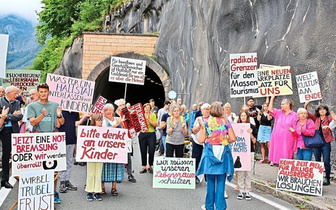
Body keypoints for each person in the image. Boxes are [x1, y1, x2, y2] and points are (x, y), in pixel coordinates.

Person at [28, 83, 65, 203]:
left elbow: (61, 123)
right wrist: (42, 115)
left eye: (45, 91)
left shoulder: (54, 105)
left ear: (49, 92)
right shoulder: (32, 106)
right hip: (38, 137)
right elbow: (32, 122)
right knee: (38, 166)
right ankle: (39, 192)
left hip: (52, 138)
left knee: (53, 167)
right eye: (41, 92)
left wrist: (59, 114)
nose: (43, 94)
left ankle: (53, 192)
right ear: (38, 93)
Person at [197, 101, 236, 210]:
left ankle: (209, 206)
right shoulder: (226, 122)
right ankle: (220, 206)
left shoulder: (206, 123)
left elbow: (200, 139)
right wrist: (223, 139)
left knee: (210, 181)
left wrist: (210, 138)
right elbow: (233, 138)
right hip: (223, 151)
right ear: (221, 110)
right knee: (220, 181)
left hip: (210, 152)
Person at [304, 102, 336, 185]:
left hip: (326, 141)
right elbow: (306, 113)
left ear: (326, 111)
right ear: (318, 111)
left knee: (326, 161)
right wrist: (306, 105)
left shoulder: (329, 118)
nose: (322, 111)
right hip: (317, 142)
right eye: (320, 110)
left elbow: (334, 123)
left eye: (323, 109)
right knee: (317, 161)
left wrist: (334, 120)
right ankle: (318, 178)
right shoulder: (316, 118)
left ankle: (327, 178)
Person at [58, 111, 91, 193]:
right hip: (62, 139)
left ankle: (66, 181)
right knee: (62, 162)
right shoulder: (61, 111)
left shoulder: (75, 112)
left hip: (72, 139)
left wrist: (85, 117)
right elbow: (58, 124)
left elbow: (76, 124)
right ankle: (62, 181)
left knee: (69, 161)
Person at [0, 86, 23, 189]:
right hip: (2, 129)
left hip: (12, 131)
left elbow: (19, 116)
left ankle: (5, 180)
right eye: (15, 93)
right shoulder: (0, 101)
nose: (17, 96)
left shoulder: (17, 103)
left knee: (7, 155)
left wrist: (6, 116)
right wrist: (11, 115)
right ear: (8, 93)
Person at [101, 103, 124, 195]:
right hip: (104, 147)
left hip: (116, 148)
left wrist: (121, 123)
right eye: (106, 110)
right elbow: (103, 130)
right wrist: (115, 125)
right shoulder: (102, 120)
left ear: (113, 111)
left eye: (110, 110)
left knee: (115, 166)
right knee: (103, 167)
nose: (108, 112)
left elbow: (123, 131)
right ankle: (102, 187)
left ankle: (114, 187)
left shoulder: (117, 119)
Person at [268, 95, 298, 166]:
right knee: (277, 153)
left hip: (288, 138)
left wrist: (293, 130)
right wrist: (272, 98)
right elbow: (270, 109)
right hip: (277, 138)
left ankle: (286, 169)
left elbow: (297, 126)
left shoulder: (294, 115)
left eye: (282, 104)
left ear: (288, 105)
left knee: (287, 153)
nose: (281, 105)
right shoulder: (279, 112)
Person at [236, 111, 257, 200]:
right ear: (240, 117)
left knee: (248, 171)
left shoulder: (252, 126)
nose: (243, 117)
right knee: (240, 171)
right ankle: (241, 190)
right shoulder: (236, 126)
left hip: (249, 151)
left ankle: (247, 190)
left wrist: (251, 134)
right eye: (242, 116)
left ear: (247, 117)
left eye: (245, 116)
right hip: (240, 151)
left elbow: (255, 141)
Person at [114, 98, 136, 183]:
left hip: (126, 138)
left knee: (128, 156)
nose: (122, 106)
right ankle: (118, 174)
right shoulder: (114, 114)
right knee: (118, 156)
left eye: (123, 105)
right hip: (117, 138)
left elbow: (131, 125)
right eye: (121, 105)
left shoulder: (127, 114)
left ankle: (130, 174)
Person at [85, 113, 104, 202]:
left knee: (98, 173)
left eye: (101, 120)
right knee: (90, 173)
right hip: (91, 154)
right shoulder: (89, 130)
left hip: (100, 154)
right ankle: (89, 191)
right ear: (94, 121)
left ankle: (97, 191)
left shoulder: (104, 131)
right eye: (98, 120)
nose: (100, 122)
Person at [192, 103, 210, 179]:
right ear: (201, 111)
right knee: (196, 159)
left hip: (208, 143)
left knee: (207, 160)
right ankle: (195, 176)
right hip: (197, 142)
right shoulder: (198, 119)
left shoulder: (212, 119)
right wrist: (200, 125)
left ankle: (207, 177)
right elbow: (194, 130)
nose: (206, 111)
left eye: (208, 109)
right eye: (205, 109)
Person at [139, 103, 157, 174]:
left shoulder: (153, 115)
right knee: (143, 150)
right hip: (143, 134)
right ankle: (144, 166)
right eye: (146, 108)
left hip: (151, 133)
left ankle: (150, 165)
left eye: (148, 108)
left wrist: (148, 119)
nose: (147, 109)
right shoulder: (141, 116)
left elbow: (155, 124)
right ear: (143, 108)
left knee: (151, 150)